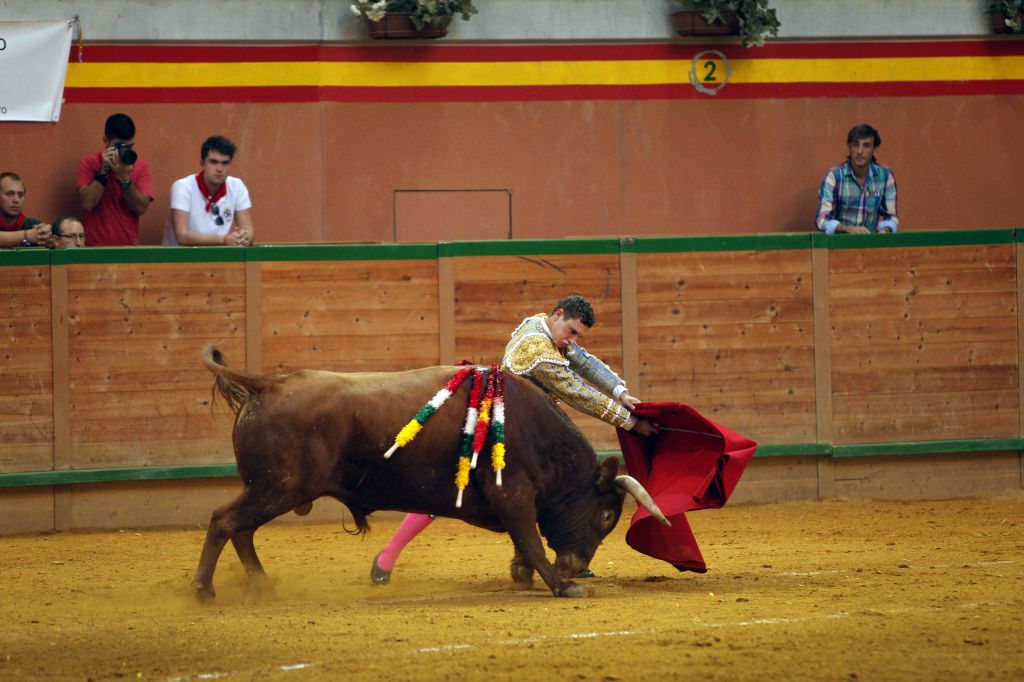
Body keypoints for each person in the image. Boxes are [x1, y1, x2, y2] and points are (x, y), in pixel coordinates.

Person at [370, 294, 659, 585]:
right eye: (572, 332)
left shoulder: (539, 325)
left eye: (578, 335)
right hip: (507, 433)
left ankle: (526, 561)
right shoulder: (535, 347)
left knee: (532, 492)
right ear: (558, 315)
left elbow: (583, 361)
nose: (573, 340)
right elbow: (576, 390)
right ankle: (388, 556)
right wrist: (630, 421)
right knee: (452, 489)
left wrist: (619, 390)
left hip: (523, 429)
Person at [76, 113, 154, 246]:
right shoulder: (90, 162)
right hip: (93, 246)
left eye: (128, 147)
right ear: (105, 141)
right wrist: (103, 172)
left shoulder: (141, 166)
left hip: (127, 248)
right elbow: (87, 203)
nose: (123, 151)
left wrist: (125, 178)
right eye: (119, 146)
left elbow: (141, 209)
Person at [163, 135, 255, 246]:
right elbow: (182, 236)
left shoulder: (237, 186)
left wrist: (242, 238)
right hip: (180, 259)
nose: (219, 169)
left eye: (225, 163)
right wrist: (224, 240)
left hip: (219, 258)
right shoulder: (183, 187)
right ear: (202, 163)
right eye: (213, 162)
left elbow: (249, 231)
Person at [816, 123, 898, 235]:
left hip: (871, 243)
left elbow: (891, 217)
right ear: (849, 147)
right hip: (840, 244)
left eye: (866, 145)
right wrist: (846, 228)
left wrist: (886, 230)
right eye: (855, 145)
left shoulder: (885, 176)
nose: (860, 151)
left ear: (874, 150)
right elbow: (822, 219)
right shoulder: (834, 176)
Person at [0, 172, 52, 248]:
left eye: (20, 195)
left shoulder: (34, 226)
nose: (16, 200)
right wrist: (27, 235)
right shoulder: (32, 232)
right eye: (9, 194)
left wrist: (49, 237)